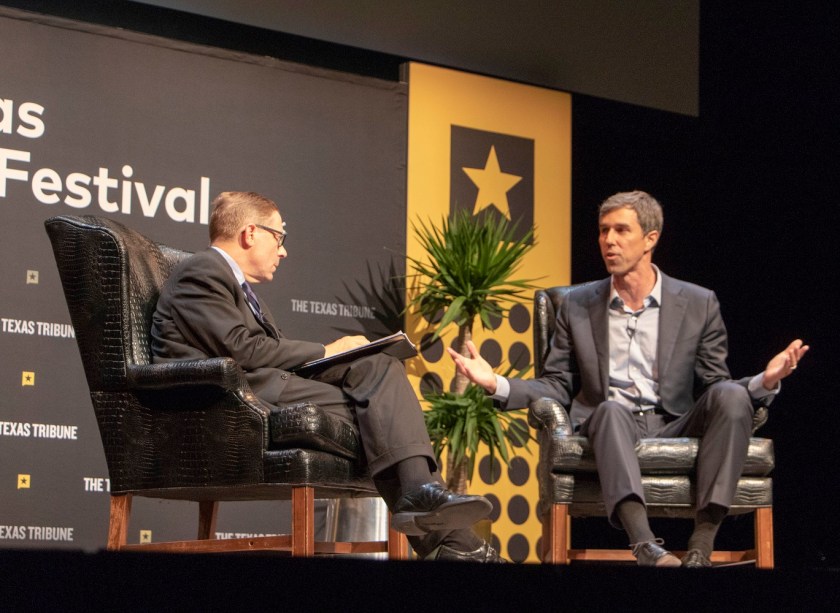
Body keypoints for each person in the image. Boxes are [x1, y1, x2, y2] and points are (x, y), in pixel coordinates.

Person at [449, 190, 808, 567]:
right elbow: (556, 383)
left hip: (676, 421)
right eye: (604, 230)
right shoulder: (576, 305)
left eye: (621, 230)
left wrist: (763, 382)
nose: (609, 240)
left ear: (650, 239)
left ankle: (701, 544)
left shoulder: (698, 303)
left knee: (732, 396)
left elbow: (715, 383)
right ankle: (645, 545)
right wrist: (496, 383)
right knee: (609, 410)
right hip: (612, 422)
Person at [151, 191, 501, 562]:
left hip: (266, 383)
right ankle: (458, 544)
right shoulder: (202, 271)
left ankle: (428, 505)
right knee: (380, 416)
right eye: (279, 237)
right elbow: (242, 349)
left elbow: (256, 350)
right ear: (250, 233)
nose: (283, 251)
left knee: (379, 365)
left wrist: (344, 354)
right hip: (229, 401)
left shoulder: (233, 284)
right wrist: (327, 350)